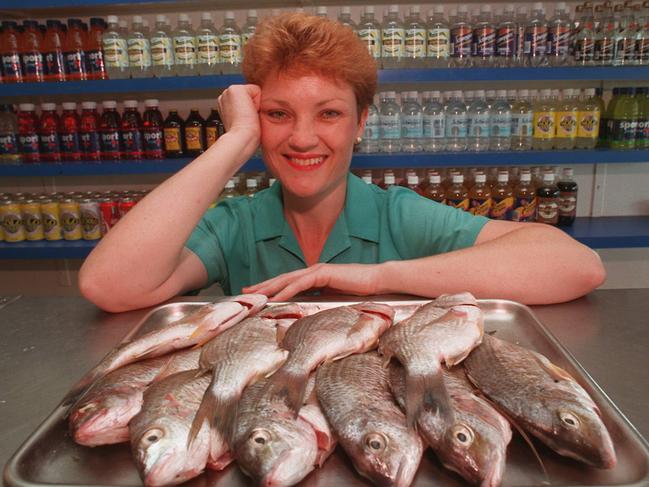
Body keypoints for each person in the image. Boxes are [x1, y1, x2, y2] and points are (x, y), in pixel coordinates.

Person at [79, 13, 605, 313]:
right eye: (278, 114)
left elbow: (575, 266)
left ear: (360, 123)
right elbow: (109, 286)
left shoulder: (398, 215)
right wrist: (235, 140)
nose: (303, 138)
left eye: (328, 113)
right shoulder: (235, 225)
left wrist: (377, 278)